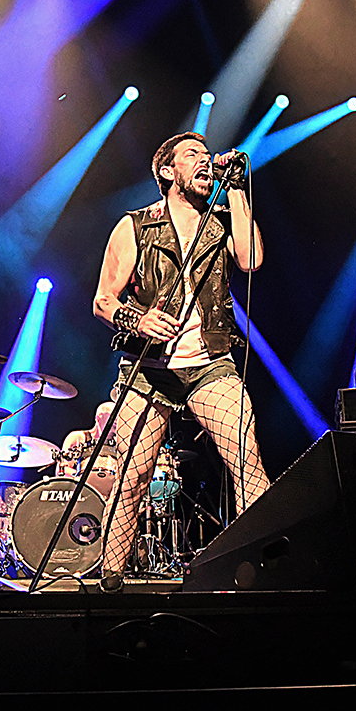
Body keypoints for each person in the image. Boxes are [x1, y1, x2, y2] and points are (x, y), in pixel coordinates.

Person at [92, 132, 269, 590]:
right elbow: (103, 301)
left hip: (210, 362)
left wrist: (236, 189)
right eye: (193, 155)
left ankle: (263, 567)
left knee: (247, 460)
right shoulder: (136, 226)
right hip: (148, 370)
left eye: (208, 155)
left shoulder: (223, 221)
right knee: (133, 474)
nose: (205, 160)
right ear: (168, 171)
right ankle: (111, 578)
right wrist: (138, 319)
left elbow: (250, 261)